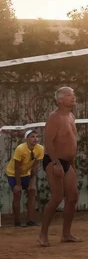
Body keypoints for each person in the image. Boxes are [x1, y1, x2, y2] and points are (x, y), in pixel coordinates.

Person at [38, 86, 82, 246]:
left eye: (74, 94)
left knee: (73, 197)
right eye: (70, 95)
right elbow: (48, 142)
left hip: (67, 162)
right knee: (57, 197)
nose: (73, 97)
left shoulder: (71, 116)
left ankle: (66, 234)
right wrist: (56, 163)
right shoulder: (54, 117)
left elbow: (70, 142)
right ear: (60, 99)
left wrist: (72, 164)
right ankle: (43, 234)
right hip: (53, 160)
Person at [5, 129, 44, 227]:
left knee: (32, 190)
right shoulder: (20, 149)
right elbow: (17, 168)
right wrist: (18, 184)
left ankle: (30, 220)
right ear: (27, 139)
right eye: (32, 137)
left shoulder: (40, 149)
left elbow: (35, 166)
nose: (35, 139)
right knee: (17, 193)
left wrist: (31, 182)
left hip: (26, 173)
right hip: (13, 174)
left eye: (36, 136)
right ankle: (17, 222)